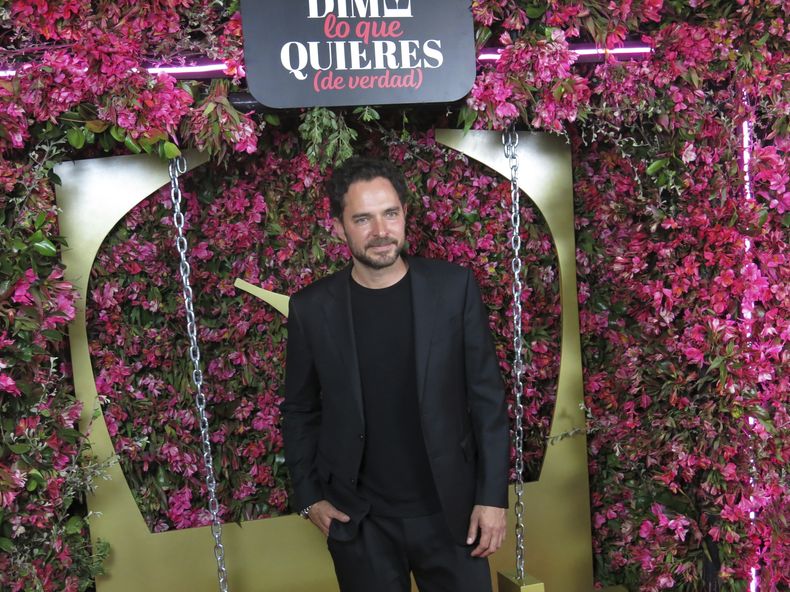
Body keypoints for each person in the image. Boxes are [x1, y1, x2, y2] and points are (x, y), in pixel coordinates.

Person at [281, 157, 509, 592]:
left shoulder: (453, 288)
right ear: (338, 227)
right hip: (361, 522)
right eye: (363, 219)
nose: (381, 231)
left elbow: (487, 399)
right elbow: (299, 409)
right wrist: (309, 497)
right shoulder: (312, 308)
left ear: (405, 214)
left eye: (390, 213)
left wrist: (492, 498)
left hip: (453, 514)